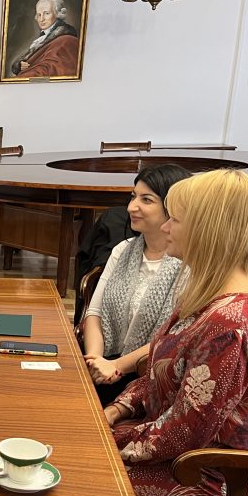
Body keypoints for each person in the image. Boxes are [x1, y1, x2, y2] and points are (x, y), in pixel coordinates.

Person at [105, 169, 248, 496]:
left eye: (175, 219)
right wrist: (117, 409)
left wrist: (106, 441)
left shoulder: (231, 323)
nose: (165, 228)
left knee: (77, 482)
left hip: (205, 475)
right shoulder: (207, 296)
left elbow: (186, 432)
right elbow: (159, 372)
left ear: (206, 230)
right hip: (173, 450)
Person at [82, 164, 190, 405]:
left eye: (146, 200)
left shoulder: (188, 264)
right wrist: (95, 360)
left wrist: (116, 365)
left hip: (149, 378)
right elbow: (95, 313)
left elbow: (174, 338)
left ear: (173, 207)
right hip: (102, 367)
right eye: (133, 197)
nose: (132, 207)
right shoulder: (122, 250)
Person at [11, 0, 80, 79]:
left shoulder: (66, 40)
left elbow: (49, 70)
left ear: (58, 14)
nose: (41, 19)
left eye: (46, 13)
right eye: (39, 15)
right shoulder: (43, 38)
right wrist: (19, 65)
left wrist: (20, 79)